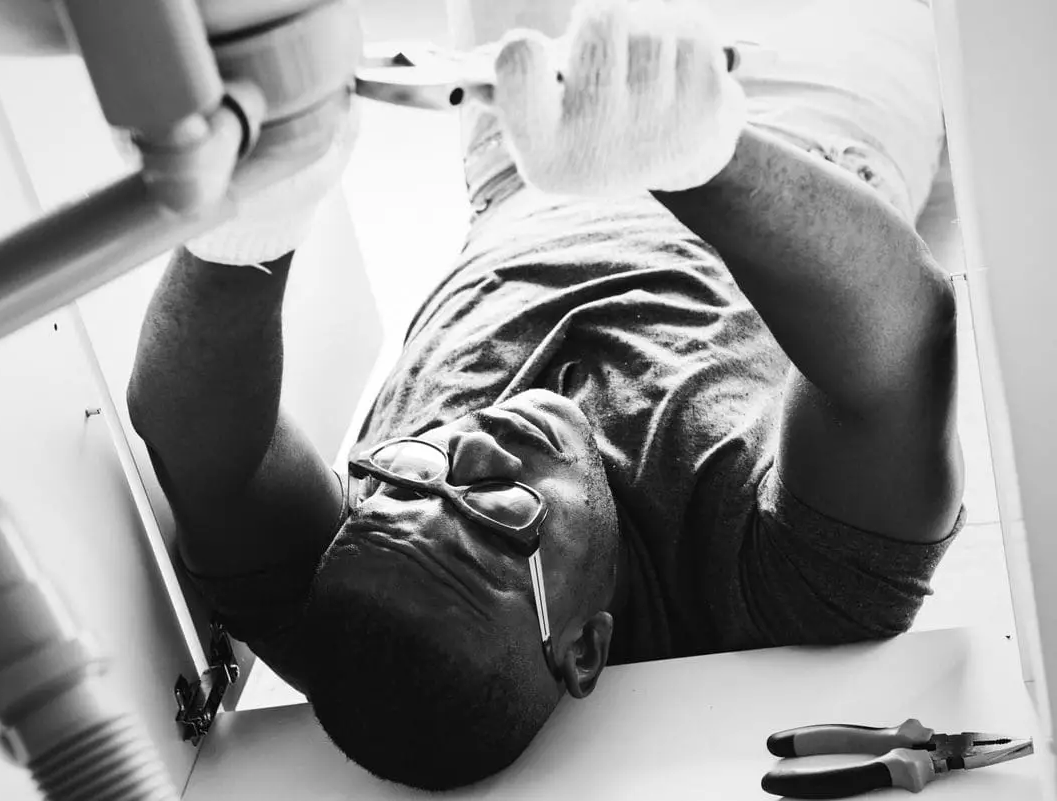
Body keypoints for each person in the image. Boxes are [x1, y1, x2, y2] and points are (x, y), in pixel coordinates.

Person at [127, 0, 962, 791]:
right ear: (581, 649)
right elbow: (904, 339)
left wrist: (263, 203)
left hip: (523, 150)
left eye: (410, 479)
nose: (469, 443)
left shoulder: (361, 599)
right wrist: (691, 157)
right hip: (790, 124)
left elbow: (193, 438)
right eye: (497, 514)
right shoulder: (776, 597)